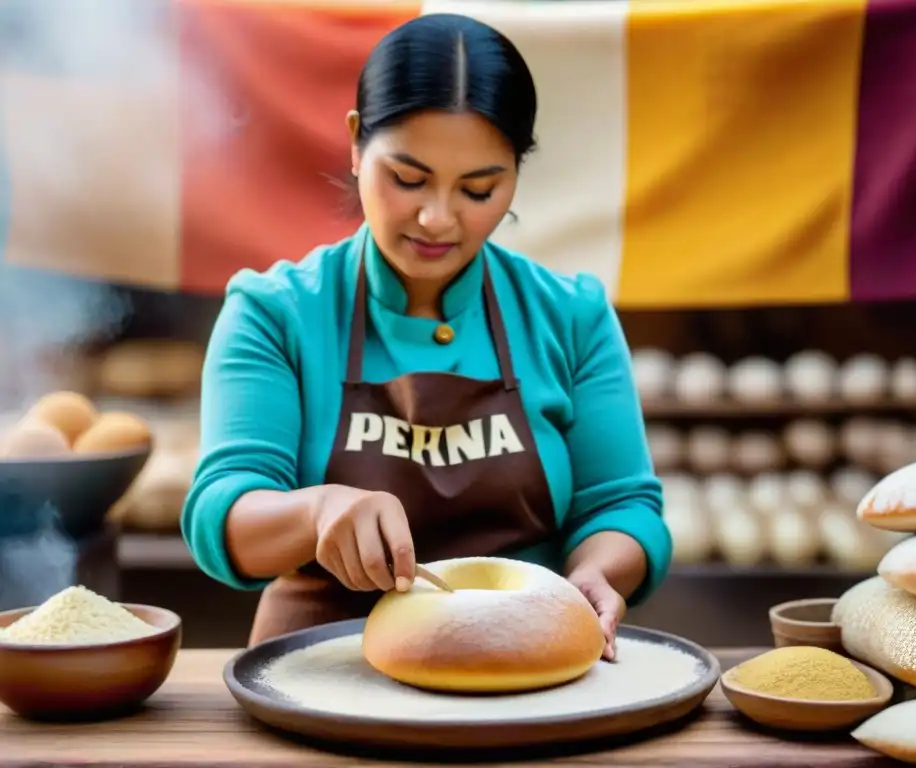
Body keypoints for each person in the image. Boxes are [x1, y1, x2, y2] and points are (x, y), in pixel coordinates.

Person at [181, 13, 671, 660]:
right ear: (357, 144)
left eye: (479, 189)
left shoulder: (570, 316)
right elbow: (224, 514)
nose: (438, 218)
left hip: (520, 668)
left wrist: (597, 573)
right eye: (407, 179)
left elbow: (625, 505)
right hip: (321, 671)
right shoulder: (276, 314)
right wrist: (317, 512)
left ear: (516, 174)